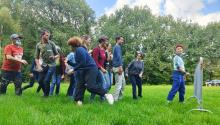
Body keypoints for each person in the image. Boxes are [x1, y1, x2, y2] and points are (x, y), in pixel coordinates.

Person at [67, 36, 114, 105]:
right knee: (80, 85)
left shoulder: (79, 50)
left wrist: (73, 70)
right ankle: (79, 102)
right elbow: (79, 64)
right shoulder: (79, 50)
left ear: (74, 45)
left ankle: (106, 94)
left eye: (70, 46)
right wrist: (69, 62)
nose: (70, 48)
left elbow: (82, 63)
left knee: (90, 86)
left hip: (91, 69)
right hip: (85, 69)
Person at [35, 29, 59, 97]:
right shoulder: (38, 45)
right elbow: (36, 58)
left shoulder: (52, 43)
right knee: (40, 80)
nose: (48, 36)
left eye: (49, 35)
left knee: (46, 80)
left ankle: (46, 95)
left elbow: (58, 55)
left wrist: (54, 57)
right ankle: (45, 92)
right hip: (44, 64)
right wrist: (39, 66)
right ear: (42, 35)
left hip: (52, 65)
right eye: (47, 35)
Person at [90, 36, 111, 101]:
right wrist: (101, 68)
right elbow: (95, 61)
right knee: (103, 84)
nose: (107, 42)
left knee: (108, 84)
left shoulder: (103, 50)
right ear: (102, 41)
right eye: (106, 41)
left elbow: (105, 61)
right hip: (98, 69)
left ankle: (93, 98)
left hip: (104, 69)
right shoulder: (96, 49)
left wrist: (108, 53)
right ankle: (102, 99)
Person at [112, 36, 126, 101]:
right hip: (118, 67)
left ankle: (119, 98)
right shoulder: (117, 47)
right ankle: (115, 99)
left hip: (119, 66)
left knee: (123, 83)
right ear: (117, 40)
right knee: (119, 84)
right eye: (121, 40)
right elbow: (118, 57)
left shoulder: (118, 47)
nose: (122, 41)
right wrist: (120, 67)